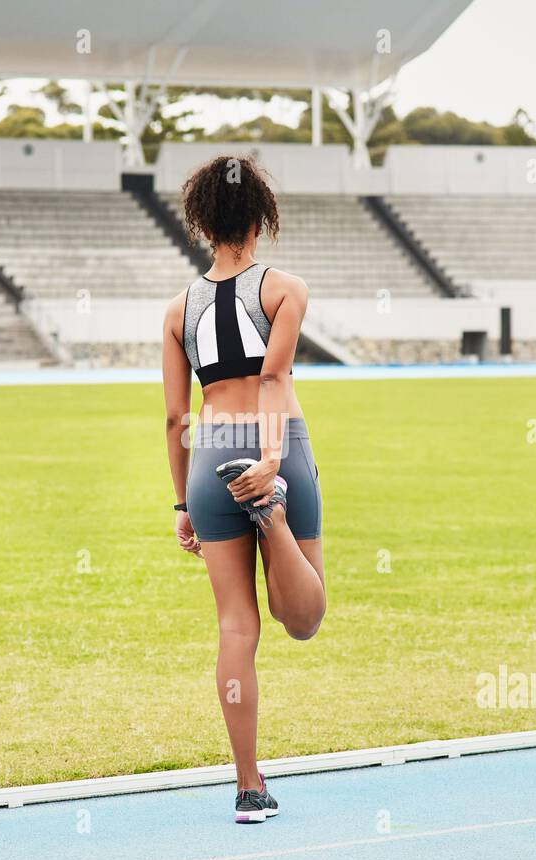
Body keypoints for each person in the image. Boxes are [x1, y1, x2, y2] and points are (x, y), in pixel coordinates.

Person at [161, 155, 326, 824]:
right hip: (275, 442)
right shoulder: (285, 289)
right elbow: (274, 377)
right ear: (262, 217)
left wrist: (183, 502)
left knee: (237, 623)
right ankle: (274, 517)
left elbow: (176, 418)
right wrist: (270, 462)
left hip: (208, 455)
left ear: (201, 222)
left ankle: (247, 785)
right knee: (304, 621)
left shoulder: (177, 309)